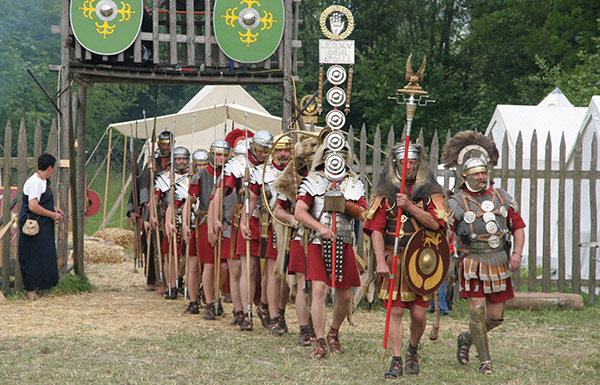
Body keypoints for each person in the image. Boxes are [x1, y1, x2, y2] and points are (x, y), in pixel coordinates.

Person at [441, 130, 526, 375]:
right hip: (471, 262)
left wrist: (517, 253)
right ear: (466, 176)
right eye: (476, 174)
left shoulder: (502, 197)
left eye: (483, 173)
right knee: (478, 312)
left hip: (499, 259)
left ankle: (466, 339)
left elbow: (518, 228)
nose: (481, 177)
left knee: (495, 316)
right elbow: (448, 233)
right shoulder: (457, 202)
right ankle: (485, 361)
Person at [363, 142, 447, 377]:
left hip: (422, 260)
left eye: (412, 162)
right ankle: (397, 359)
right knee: (396, 311)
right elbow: (376, 229)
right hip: (395, 259)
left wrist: (410, 206)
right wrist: (380, 261)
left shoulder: (430, 192)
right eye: (404, 162)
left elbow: (437, 224)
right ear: (396, 163)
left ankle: (412, 348)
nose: (408, 166)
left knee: (419, 315)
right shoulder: (385, 192)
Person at [294, 133, 367, 359]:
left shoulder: (354, 184)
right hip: (318, 242)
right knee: (319, 290)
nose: (337, 160)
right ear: (324, 158)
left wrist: (347, 205)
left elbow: (366, 215)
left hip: (344, 242)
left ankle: (334, 332)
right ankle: (320, 340)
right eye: (333, 156)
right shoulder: (313, 180)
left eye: (342, 156)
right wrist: (319, 227)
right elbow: (298, 212)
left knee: (345, 296)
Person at [212, 130, 272, 331]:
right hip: (246, 220)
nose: (263, 154)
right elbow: (221, 191)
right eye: (261, 150)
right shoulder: (238, 164)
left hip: (272, 221)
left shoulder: (274, 165)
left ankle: (265, 307)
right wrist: (215, 219)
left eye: (266, 151)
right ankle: (245, 313)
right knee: (247, 269)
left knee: (272, 271)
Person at [273, 136, 319, 345]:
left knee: (318, 286)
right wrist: (292, 218)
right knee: (300, 283)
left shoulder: (328, 177)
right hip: (300, 236)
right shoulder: (292, 178)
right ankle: (303, 328)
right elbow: (279, 209)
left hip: (321, 237)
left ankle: (317, 326)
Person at [243, 134, 291, 335]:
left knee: (289, 275)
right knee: (274, 273)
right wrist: (245, 221)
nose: (282, 154)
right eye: (278, 150)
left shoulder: (298, 171)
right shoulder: (261, 172)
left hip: (293, 226)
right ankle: (273, 318)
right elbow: (251, 199)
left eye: (286, 150)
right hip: (270, 225)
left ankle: (277, 311)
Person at [182, 140, 230, 318]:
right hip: (204, 222)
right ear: (212, 154)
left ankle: (211, 292)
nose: (221, 158)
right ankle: (210, 304)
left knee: (224, 266)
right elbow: (190, 200)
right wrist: (186, 223)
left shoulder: (233, 172)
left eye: (224, 155)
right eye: (218, 154)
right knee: (208, 265)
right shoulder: (201, 174)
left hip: (227, 223)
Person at [18, 153, 64, 300]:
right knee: (33, 256)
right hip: (34, 226)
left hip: (42, 227)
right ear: (50, 168)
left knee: (43, 256)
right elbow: (33, 206)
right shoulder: (36, 182)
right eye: (54, 168)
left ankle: (40, 288)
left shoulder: (43, 182)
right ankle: (31, 291)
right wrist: (52, 214)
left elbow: (42, 201)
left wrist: (53, 207)